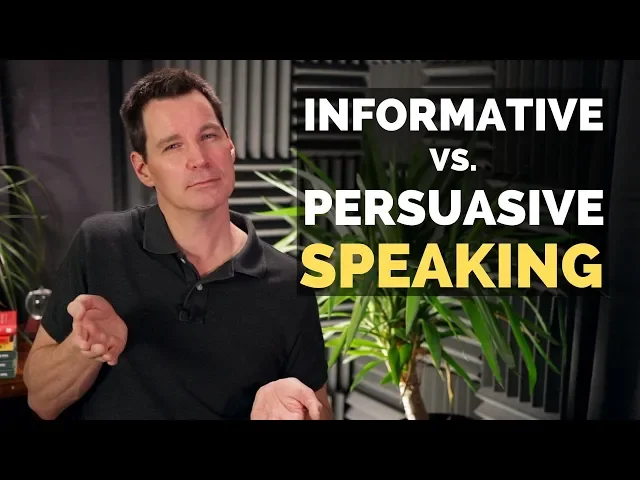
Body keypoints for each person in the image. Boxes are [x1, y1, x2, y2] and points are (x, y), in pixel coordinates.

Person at [22, 68, 332, 420]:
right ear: (143, 169)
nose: (199, 159)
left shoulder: (291, 281)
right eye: (172, 145)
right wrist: (84, 350)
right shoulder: (100, 244)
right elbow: (41, 402)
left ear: (230, 146)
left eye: (208, 135)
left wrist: (297, 408)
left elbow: (320, 408)